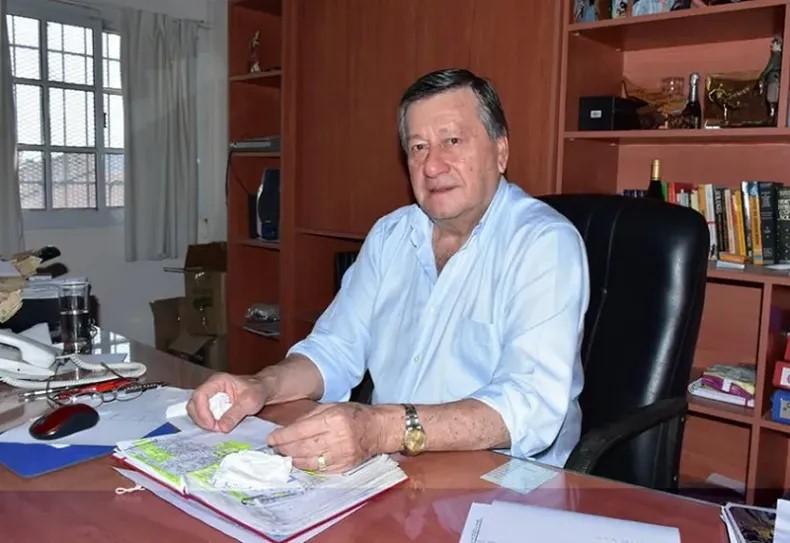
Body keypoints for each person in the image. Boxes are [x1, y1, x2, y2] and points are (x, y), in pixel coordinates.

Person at [187, 68, 589, 474]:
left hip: (506, 478)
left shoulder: (544, 244)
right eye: (418, 147)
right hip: (393, 466)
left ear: (500, 152)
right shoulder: (390, 236)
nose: (432, 166)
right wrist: (262, 386)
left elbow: (530, 404)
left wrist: (380, 429)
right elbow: (334, 348)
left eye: (452, 141)